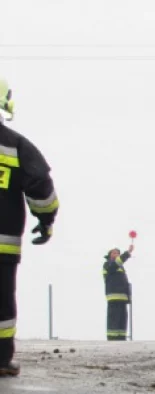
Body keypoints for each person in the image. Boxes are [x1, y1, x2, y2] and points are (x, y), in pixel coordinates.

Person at [0, 77, 59, 377]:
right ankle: (0, 361)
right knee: (1, 302)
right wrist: (45, 221)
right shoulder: (16, 145)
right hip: (3, 244)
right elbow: (42, 190)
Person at [103, 244, 134, 341]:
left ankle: (121, 338)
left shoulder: (120, 267)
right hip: (114, 298)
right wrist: (127, 253)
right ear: (109, 255)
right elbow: (117, 263)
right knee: (114, 319)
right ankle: (112, 338)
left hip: (123, 298)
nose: (116, 254)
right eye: (114, 253)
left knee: (122, 319)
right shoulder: (108, 264)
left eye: (118, 253)